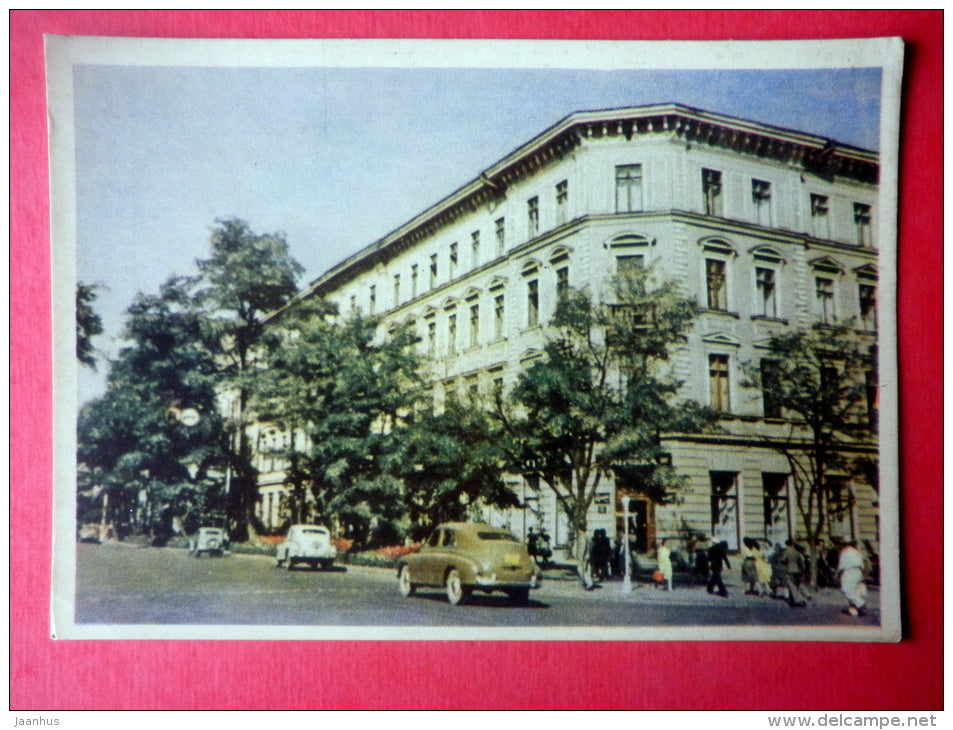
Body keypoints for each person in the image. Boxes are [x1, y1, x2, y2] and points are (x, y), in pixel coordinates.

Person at [837, 540, 869, 617]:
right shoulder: (856, 552)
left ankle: (861, 603)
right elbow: (862, 565)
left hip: (849, 572)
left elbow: (841, 565)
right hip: (858, 572)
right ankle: (854, 611)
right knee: (854, 591)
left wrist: (838, 574)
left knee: (847, 590)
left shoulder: (844, 552)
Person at [779, 539, 811, 608]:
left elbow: (782, 560)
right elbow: (802, 561)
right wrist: (802, 569)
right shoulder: (797, 552)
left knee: (791, 586)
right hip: (797, 571)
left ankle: (796, 600)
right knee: (796, 584)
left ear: (787, 545)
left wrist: (785, 564)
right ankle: (796, 600)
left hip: (789, 570)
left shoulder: (786, 552)